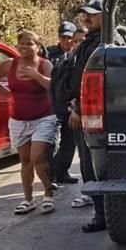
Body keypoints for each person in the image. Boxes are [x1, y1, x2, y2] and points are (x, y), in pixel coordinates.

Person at [0, 30, 57, 215]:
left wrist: (36, 75)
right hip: (18, 119)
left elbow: (54, 86)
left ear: (38, 47)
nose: (24, 47)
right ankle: (28, 200)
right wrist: (8, 94)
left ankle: (48, 193)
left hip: (43, 117)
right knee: (25, 161)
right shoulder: (10, 64)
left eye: (29, 43)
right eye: (21, 43)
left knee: (37, 157)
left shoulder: (44, 64)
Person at [67, 0, 108, 231]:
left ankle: (102, 215)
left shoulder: (105, 43)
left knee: (94, 166)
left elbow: (92, 84)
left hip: (94, 114)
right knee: (89, 165)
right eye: (86, 14)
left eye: (93, 14)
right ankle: (101, 213)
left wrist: (78, 109)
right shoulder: (91, 42)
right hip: (86, 111)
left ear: (106, 15)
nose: (87, 18)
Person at [49, 23, 82, 186]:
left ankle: (62, 172)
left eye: (70, 38)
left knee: (69, 142)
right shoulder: (49, 54)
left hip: (71, 105)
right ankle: (51, 177)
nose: (67, 41)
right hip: (54, 105)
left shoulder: (79, 56)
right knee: (53, 142)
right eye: (64, 37)